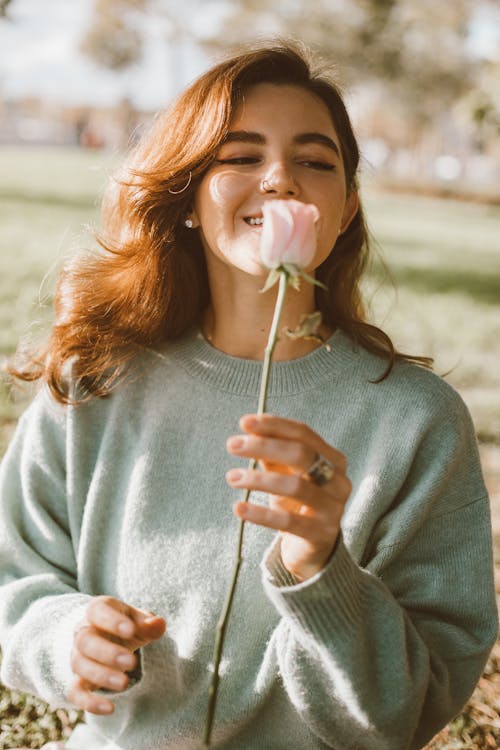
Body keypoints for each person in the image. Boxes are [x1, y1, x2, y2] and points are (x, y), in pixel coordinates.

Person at [0, 42, 497, 750]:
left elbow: (409, 711)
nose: (279, 180)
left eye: (315, 161)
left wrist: (318, 565)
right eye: (240, 156)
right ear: (191, 198)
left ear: (346, 207)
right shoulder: (95, 381)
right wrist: (63, 638)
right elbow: (11, 583)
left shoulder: (418, 422)